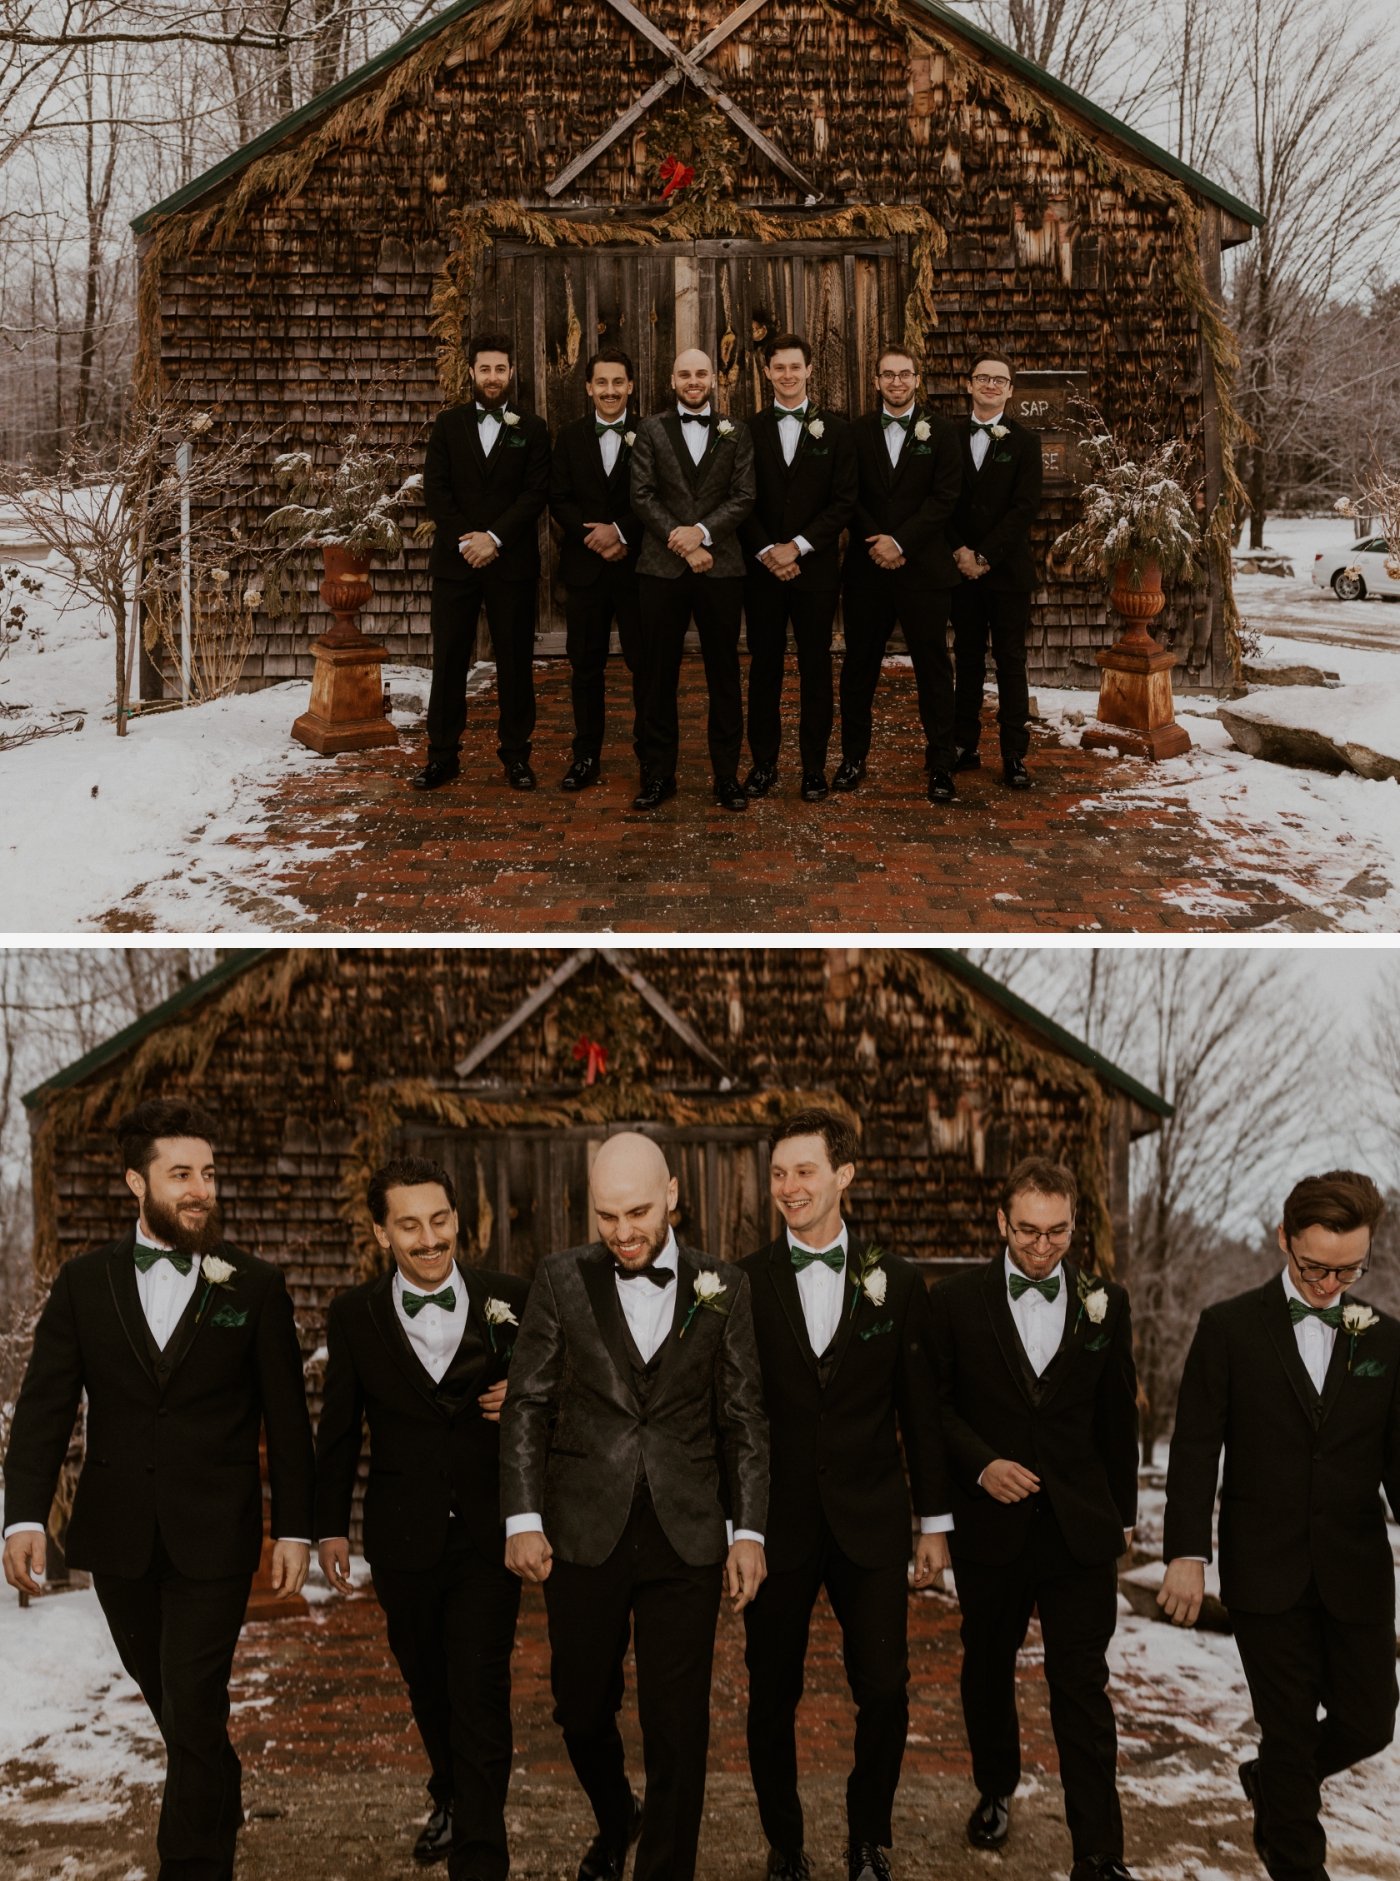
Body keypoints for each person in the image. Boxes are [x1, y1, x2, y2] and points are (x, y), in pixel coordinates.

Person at [2, 1099, 315, 1881]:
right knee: (177, 1707)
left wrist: (299, 1528)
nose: (202, 1188)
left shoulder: (255, 1284)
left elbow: (289, 1416)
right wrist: (22, 1516)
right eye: (183, 1174)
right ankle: (220, 1780)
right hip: (120, 1537)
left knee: (195, 1694)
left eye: (208, 1173)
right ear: (135, 1182)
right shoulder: (84, 1282)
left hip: (217, 1533)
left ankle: (192, 1863)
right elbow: (44, 1405)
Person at [499, 1132, 769, 1881]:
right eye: (607, 1214)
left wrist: (748, 1529)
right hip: (584, 1527)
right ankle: (618, 1813)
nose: (623, 1231)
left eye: (639, 1211)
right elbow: (527, 1402)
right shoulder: (558, 1279)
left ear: (674, 1194)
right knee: (580, 1706)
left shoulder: (726, 1287)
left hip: (687, 1532)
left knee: (677, 1722)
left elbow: (744, 1417)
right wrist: (523, 1516)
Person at [1159, 1170, 1398, 1881]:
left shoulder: (1387, 1341)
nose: (1330, 1283)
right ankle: (1297, 1859)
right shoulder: (1228, 1328)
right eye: (1315, 1265)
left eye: (1348, 1268)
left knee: (1370, 1721)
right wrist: (1185, 1553)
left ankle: (1272, 1781)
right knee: (1290, 1731)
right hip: (1265, 1570)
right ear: (1283, 1240)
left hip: (1356, 1570)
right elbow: (1196, 1447)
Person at [739, 1109, 950, 1881]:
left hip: (872, 1520)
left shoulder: (896, 1281)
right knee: (771, 1696)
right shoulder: (744, 1281)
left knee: (886, 1693)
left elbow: (919, 1411)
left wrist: (935, 1522)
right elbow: (736, 1413)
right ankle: (785, 1845)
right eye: (779, 1173)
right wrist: (742, 1527)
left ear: (844, 1175)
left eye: (805, 1170)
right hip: (777, 1524)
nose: (789, 1187)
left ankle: (869, 1839)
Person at [314, 1156, 530, 1879]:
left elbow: (564, 1388)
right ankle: (450, 1788)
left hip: (486, 1531)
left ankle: (480, 1853)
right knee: (427, 1682)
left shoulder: (512, 1298)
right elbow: (339, 1429)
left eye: (440, 1220)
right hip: (401, 1535)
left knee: (479, 1688)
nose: (430, 1237)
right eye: (409, 1223)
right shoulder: (355, 1315)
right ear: (382, 1231)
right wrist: (328, 1525)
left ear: (457, 1218)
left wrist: (532, 1396)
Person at [926, 1156, 1138, 1881]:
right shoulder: (954, 1300)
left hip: (1079, 1528)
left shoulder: (1107, 1302)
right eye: (1027, 1231)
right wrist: (983, 1465)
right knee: (987, 1666)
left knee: (1080, 1682)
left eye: (1057, 1233)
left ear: (1074, 1225)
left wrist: (1125, 1517)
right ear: (1001, 1222)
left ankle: (1099, 1852)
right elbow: (936, 1409)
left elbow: (1117, 1420)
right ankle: (995, 1784)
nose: (1042, 1247)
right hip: (992, 1525)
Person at [417, 331, 551, 794]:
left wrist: (494, 538)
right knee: (449, 660)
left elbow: (535, 494)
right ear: (471, 372)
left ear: (512, 373)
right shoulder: (447, 425)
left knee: (515, 662)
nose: (493, 378)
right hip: (456, 563)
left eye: (501, 369)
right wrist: (467, 540)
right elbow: (437, 490)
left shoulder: (531, 429)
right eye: (485, 369)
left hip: (510, 564)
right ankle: (442, 757)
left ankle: (516, 756)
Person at [628, 348, 756, 812]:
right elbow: (641, 495)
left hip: (721, 569)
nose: (694, 380)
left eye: (702, 373)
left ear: (714, 379)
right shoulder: (650, 429)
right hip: (661, 569)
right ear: (672, 379)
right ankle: (659, 775)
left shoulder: (736, 431)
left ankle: (726, 776)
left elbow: (744, 496)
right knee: (658, 675)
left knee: (724, 674)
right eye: (685, 373)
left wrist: (702, 534)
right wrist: (681, 541)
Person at [835, 343, 962, 803]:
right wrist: (878, 542)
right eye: (887, 375)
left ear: (916, 379)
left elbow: (944, 499)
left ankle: (942, 763)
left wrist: (902, 542)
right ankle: (853, 758)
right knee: (859, 668)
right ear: (876, 381)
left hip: (924, 569)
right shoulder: (856, 432)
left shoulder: (943, 433)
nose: (896, 382)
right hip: (868, 570)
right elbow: (849, 496)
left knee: (932, 667)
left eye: (904, 374)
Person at [740, 334, 857, 803]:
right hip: (763, 570)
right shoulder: (747, 430)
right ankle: (764, 764)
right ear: (766, 373)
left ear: (810, 371)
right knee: (763, 669)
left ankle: (813, 767)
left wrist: (799, 547)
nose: (787, 375)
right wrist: (770, 550)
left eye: (795, 366)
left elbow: (844, 501)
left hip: (816, 572)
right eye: (778, 367)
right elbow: (741, 499)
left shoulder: (838, 430)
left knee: (815, 669)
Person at [548, 348, 645, 794]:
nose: (610, 391)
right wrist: (595, 538)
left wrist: (621, 533)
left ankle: (651, 757)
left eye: (618, 382)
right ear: (589, 387)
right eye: (601, 383)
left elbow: (659, 495)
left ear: (630, 386)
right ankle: (586, 755)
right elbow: (559, 496)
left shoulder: (649, 434)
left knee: (645, 665)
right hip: (586, 569)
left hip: (637, 569)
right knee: (585, 668)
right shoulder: (569, 437)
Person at [948, 351, 1044, 790]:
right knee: (966, 658)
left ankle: (1013, 755)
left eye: (998, 380)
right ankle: (964, 746)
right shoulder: (946, 436)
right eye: (982, 377)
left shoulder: (1025, 442)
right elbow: (940, 501)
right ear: (969, 384)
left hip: (1006, 573)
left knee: (1010, 661)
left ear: (1009, 390)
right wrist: (960, 552)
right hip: (959, 570)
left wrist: (985, 555)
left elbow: (1023, 509)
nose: (989, 385)